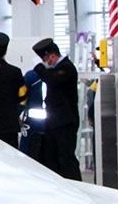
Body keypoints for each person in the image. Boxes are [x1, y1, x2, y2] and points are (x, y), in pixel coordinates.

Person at [31, 38, 82, 180]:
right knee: (52, 159)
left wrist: (40, 69)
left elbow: (51, 79)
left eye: (46, 59)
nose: (46, 63)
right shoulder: (56, 69)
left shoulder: (67, 68)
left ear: (52, 56)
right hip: (53, 122)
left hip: (65, 122)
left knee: (66, 159)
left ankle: (76, 186)